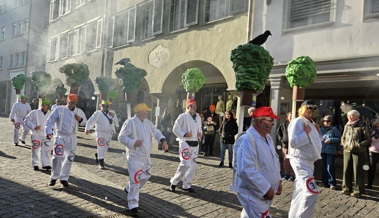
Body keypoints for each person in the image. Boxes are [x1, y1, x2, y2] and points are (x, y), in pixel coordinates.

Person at [118, 103, 168, 216]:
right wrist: (133, 142)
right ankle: (133, 205)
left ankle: (128, 188)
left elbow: (156, 131)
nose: (146, 113)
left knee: (146, 176)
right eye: (144, 111)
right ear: (139, 111)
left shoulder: (147, 122)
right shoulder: (130, 122)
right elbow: (121, 137)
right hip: (135, 156)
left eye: (147, 111)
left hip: (146, 156)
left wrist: (163, 140)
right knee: (135, 180)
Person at [233, 106, 282, 217]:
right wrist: (265, 189)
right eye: (270, 121)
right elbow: (245, 169)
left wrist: (278, 180)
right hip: (254, 193)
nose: (273, 124)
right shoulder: (247, 139)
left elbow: (274, 161)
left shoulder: (268, 138)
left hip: (263, 194)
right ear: (260, 122)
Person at [287, 100, 322, 218]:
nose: (310, 112)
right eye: (308, 109)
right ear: (302, 109)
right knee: (311, 192)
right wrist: (306, 133)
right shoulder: (297, 122)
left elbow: (316, 144)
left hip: (309, 162)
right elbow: (293, 143)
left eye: (313, 110)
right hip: (300, 160)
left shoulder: (311, 123)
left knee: (300, 192)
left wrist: (318, 133)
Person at [45, 94, 87, 188]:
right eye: (70, 101)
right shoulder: (59, 109)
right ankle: (53, 178)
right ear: (67, 100)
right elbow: (50, 121)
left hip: (72, 137)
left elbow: (85, 122)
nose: (72, 103)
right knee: (57, 157)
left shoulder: (79, 111)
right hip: (60, 136)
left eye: (74, 101)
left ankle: (64, 178)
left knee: (69, 158)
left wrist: (80, 120)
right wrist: (48, 131)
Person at [169, 99, 202, 193]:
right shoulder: (182, 116)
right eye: (192, 106)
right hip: (185, 142)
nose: (194, 107)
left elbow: (199, 128)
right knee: (185, 163)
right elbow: (175, 128)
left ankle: (187, 185)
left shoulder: (198, 117)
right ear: (188, 107)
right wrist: (184, 134)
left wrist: (200, 134)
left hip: (195, 143)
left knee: (192, 165)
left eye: (195, 106)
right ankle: (174, 182)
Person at [340, 109, 371, 198]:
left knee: (357, 171)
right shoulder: (347, 125)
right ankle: (346, 188)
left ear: (356, 117)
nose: (349, 117)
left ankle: (358, 190)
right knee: (346, 170)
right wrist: (343, 143)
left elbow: (368, 139)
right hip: (347, 150)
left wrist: (359, 144)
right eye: (348, 116)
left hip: (358, 151)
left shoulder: (362, 125)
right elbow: (344, 136)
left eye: (351, 116)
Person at [85, 100, 118, 169]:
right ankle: (101, 162)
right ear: (101, 106)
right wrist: (87, 128)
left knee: (106, 146)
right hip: (100, 132)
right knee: (101, 146)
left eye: (106, 106)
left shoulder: (111, 113)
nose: (105, 107)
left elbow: (115, 121)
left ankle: (98, 154)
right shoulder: (97, 113)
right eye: (103, 105)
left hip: (109, 133)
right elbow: (91, 120)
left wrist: (114, 117)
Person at [24, 99, 52, 171]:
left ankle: (46, 164)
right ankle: (35, 164)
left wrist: (52, 130)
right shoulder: (34, 112)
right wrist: (34, 126)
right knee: (36, 149)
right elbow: (26, 120)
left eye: (46, 105)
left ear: (48, 106)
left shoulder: (51, 114)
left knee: (46, 149)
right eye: (43, 105)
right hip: (36, 133)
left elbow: (54, 123)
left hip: (46, 133)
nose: (44, 106)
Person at [319, 115, 341, 190]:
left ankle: (332, 183)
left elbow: (339, 139)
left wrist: (331, 140)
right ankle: (324, 182)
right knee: (323, 167)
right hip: (322, 150)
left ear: (331, 122)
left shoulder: (334, 129)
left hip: (331, 151)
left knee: (329, 167)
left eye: (328, 121)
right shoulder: (321, 129)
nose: (326, 122)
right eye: (324, 121)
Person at [276, 112, 295, 181]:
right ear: (287, 118)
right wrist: (282, 139)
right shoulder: (283, 125)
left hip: (293, 146)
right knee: (286, 160)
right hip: (285, 145)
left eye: (292, 116)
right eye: (290, 116)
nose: (291, 118)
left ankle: (292, 174)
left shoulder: (296, 125)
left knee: (292, 160)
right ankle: (286, 173)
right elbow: (278, 132)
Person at [367, 118, 379, 189]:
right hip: (373, 151)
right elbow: (368, 140)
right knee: (372, 168)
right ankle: (370, 184)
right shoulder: (372, 130)